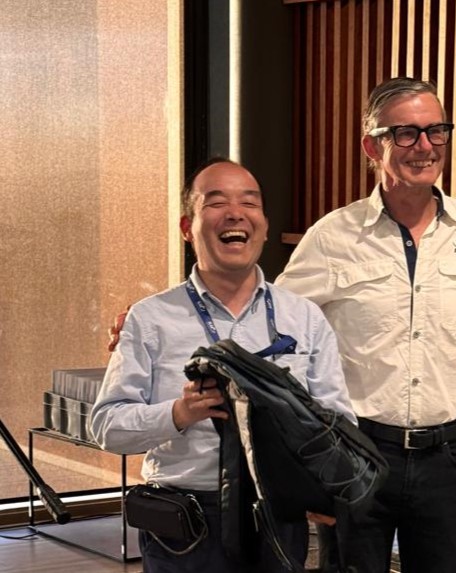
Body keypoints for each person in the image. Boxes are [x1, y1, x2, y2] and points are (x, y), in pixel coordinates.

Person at [275, 77, 456, 573]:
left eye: (436, 131)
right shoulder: (333, 236)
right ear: (372, 146)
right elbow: (272, 329)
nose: (425, 146)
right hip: (358, 454)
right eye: (406, 133)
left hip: (453, 460)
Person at [90, 157, 356, 573]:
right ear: (187, 227)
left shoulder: (303, 317)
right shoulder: (150, 318)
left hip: (279, 515)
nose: (235, 213)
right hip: (186, 526)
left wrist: (318, 481)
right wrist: (179, 413)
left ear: (264, 226)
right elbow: (107, 426)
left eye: (249, 202)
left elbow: (339, 419)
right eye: (216, 202)